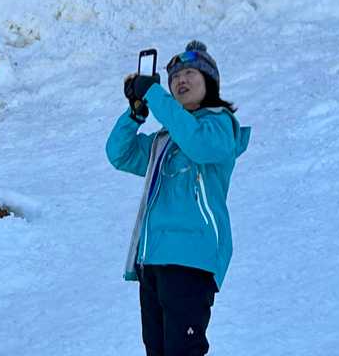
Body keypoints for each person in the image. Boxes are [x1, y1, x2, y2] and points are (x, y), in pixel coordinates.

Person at [106, 40, 251, 356]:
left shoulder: (220, 125)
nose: (180, 80)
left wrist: (155, 94)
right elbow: (119, 154)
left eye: (189, 74)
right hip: (153, 260)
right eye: (174, 78)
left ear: (209, 82)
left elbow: (199, 145)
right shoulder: (165, 139)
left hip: (190, 259)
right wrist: (135, 113)